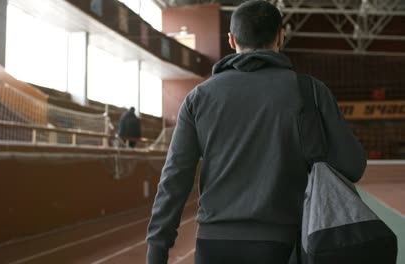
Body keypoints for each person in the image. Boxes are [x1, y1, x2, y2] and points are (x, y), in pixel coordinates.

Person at [146, 1, 366, 264]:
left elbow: (175, 178)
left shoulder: (198, 98)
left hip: (213, 247)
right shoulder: (311, 92)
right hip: (281, 245)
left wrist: (157, 249)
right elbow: (353, 165)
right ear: (280, 37)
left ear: (231, 39)